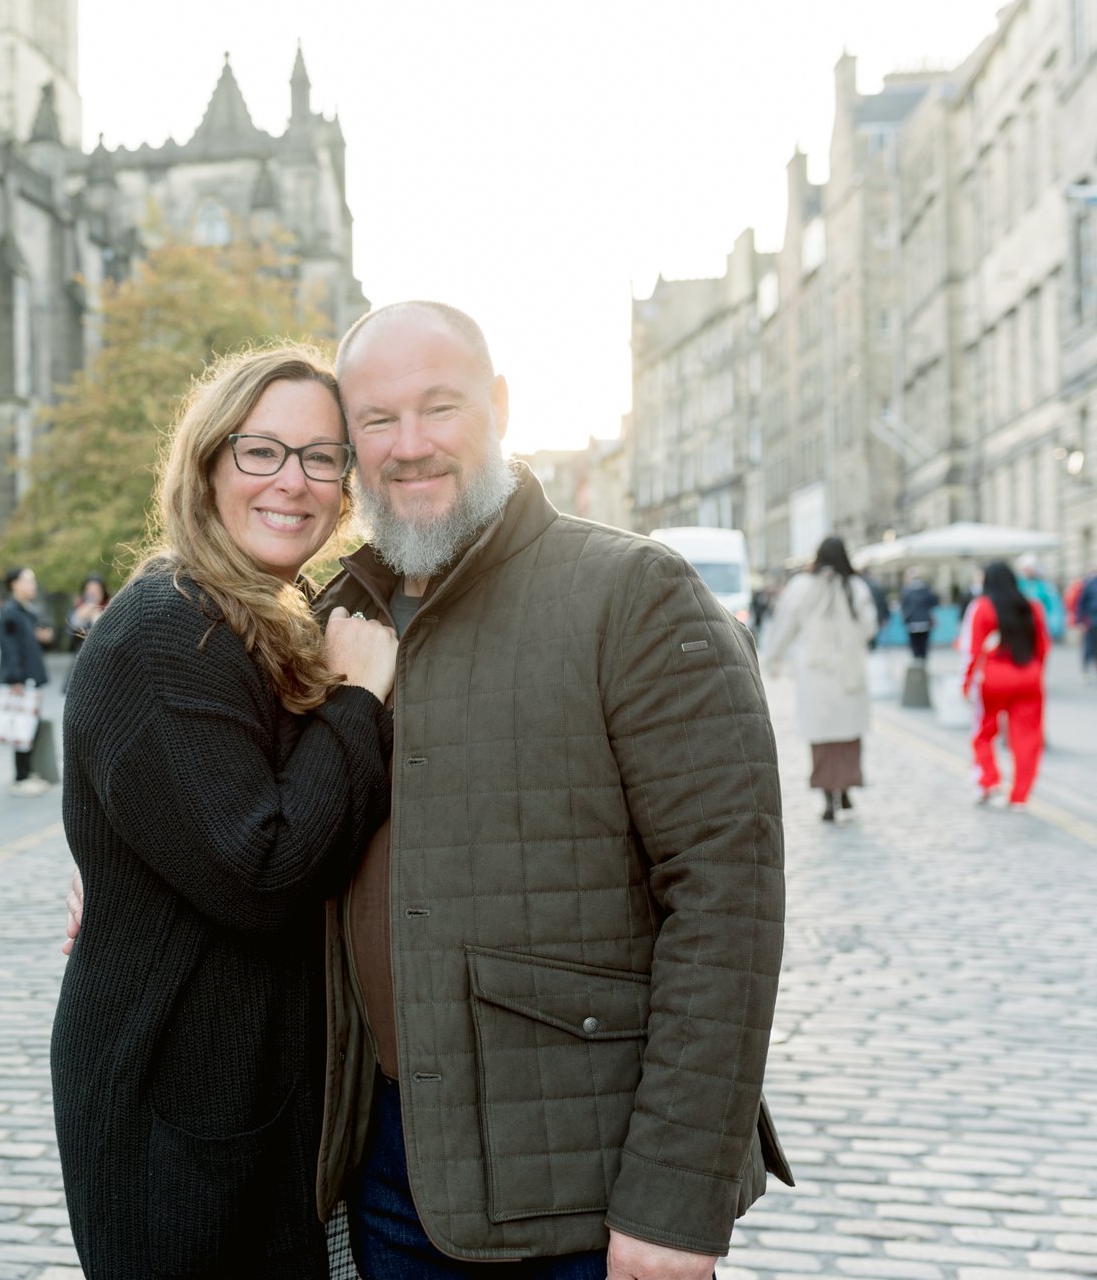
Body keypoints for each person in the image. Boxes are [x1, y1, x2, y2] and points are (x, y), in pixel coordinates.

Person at [67, 302, 790, 1277]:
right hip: (379, 1181)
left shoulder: (635, 594)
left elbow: (728, 905)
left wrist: (674, 1203)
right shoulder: (329, 616)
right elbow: (243, 816)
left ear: (499, 406)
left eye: (439, 407)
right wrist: (123, 890)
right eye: (376, 420)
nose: (409, 445)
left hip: (578, 1196)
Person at [52, 344, 398, 1280]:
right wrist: (355, 700)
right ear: (207, 465)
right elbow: (265, 871)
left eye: (321, 457)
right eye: (262, 451)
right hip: (180, 1130)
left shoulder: (271, 611)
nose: (293, 480)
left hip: (248, 1106)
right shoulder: (166, 628)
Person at [764, 536, 878, 823]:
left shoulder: (802, 586)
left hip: (816, 674)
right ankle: (846, 789)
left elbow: (785, 623)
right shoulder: (855, 586)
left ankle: (828, 797)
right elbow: (869, 626)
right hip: (848, 672)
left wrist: (774, 657)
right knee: (848, 734)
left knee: (822, 738)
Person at [966, 560, 1050, 809]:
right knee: (1027, 737)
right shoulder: (1032, 607)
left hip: (994, 678)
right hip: (1028, 676)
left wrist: (967, 683)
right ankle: (1019, 796)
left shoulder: (982, 607)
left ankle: (989, 781)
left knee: (984, 733)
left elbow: (973, 650)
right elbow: (1043, 646)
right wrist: (1036, 671)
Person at [0, 567, 55, 796]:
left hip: (31, 675)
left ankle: (28, 773)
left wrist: (45, 639)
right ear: (14, 584)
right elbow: (9, 648)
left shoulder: (28, 611)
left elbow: (33, 645)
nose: (33, 585)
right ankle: (21, 777)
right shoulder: (11, 612)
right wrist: (15, 679)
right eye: (28, 581)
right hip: (22, 680)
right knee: (21, 729)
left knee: (30, 726)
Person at [1016, 553, 1066, 640]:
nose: (1026, 572)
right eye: (1024, 569)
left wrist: (1054, 625)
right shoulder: (1019, 584)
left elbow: (1054, 606)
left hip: (1041, 623)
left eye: (1028, 569)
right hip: (1024, 624)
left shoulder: (1044, 586)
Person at [899, 574, 939, 663]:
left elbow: (903, 606)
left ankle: (917, 659)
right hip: (925, 621)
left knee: (915, 643)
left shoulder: (906, 591)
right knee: (923, 642)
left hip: (912, 621)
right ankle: (922, 659)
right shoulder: (926, 591)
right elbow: (934, 603)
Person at [68, 574, 110, 650]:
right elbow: (70, 638)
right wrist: (79, 617)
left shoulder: (109, 609)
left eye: (97, 589)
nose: (93, 592)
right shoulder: (77, 608)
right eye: (89, 589)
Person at [1075, 565, 1097, 683]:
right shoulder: (1090, 583)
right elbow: (1081, 603)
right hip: (1091, 621)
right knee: (1089, 646)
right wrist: (1080, 621)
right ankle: (1085, 670)